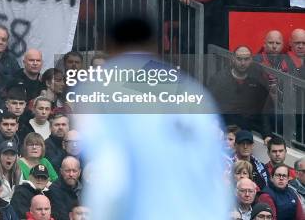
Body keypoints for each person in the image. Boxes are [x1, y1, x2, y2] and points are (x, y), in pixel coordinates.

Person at [79, 16, 231, 219]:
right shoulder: (194, 92)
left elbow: (111, 178)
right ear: (156, 46)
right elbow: (216, 179)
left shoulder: (103, 89)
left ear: (109, 47)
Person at [209, 47, 272, 134]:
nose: (243, 63)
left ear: (251, 60)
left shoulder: (257, 79)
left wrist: (267, 134)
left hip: (248, 128)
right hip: (224, 126)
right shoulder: (219, 79)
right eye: (239, 59)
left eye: (246, 59)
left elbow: (264, 108)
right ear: (232, 59)